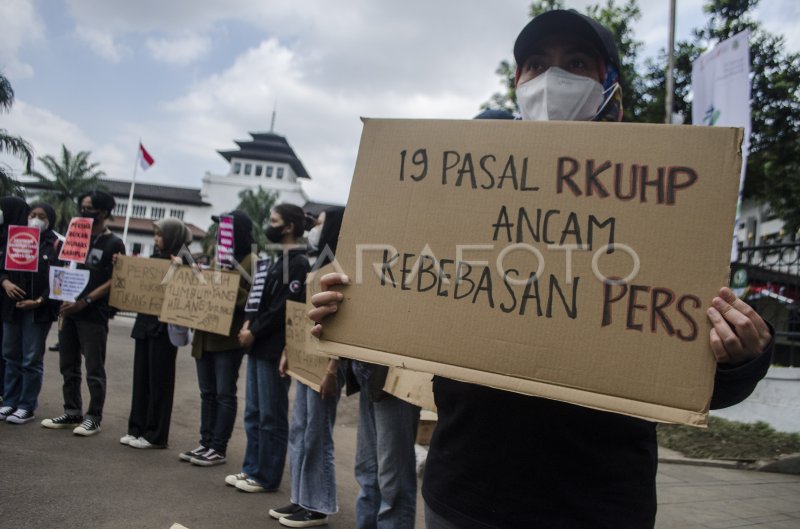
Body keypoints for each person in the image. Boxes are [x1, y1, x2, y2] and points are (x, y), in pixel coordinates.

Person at [308, 10, 774, 529]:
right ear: (518, 83)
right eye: (537, 64)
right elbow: (412, 292)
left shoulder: (667, 205)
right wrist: (350, 309)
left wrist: (741, 355)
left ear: (608, 88)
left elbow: (692, 369)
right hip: (463, 493)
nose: (554, 79)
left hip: (595, 505)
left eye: (576, 64)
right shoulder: (459, 200)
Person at [225, 204, 309, 495]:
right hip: (258, 346)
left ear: (288, 227)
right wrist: (248, 327)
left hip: (274, 349)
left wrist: (254, 331)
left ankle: (266, 475)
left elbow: (283, 308)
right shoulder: (277, 260)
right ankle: (251, 468)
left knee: (271, 415)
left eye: (274, 221)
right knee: (254, 412)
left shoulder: (298, 263)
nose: (269, 225)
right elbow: (259, 300)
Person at [269, 206, 344, 528]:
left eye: (320, 223)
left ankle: (318, 505)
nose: (314, 227)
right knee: (300, 429)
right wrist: (290, 349)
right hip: (305, 359)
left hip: (324, 364)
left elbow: (345, 327)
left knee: (317, 435)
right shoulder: (318, 265)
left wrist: (331, 369)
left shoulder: (340, 270)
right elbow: (302, 317)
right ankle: (301, 498)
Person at [42, 190, 125, 436]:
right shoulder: (75, 236)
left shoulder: (114, 243)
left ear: (104, 212)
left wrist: (86, 300)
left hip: (93, 313)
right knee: (68, 364)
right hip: (68, 309)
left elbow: (114, 279)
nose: (84, 211)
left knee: (94, 367)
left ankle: (93, 417)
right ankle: (72, 411)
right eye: (83, 206)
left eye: (90, 207)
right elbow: (64, 268)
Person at [180, 210, 254, 466]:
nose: (220, 235)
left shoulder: (251, 261)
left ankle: (218, 447)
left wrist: (226, 281)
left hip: (227, 340)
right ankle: (205, 441)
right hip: (205, 336)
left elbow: (250, 301)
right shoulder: (216, 258)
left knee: (224, 393)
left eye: (225, 229)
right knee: (207, 393)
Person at [119, 218, 192, 449]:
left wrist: (181, 270)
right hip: (144, 326)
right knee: (141, 379)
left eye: (160, 235)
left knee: (160, 382)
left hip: (164, 330)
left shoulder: (186, 261)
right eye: (156, 234)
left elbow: (196, 288)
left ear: (172, 236)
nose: (156, 239)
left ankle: (156, 435)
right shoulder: (152, 261)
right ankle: (136, 428)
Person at [0, 201, 62, 424]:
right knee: (10, 355)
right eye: (32, 214)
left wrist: (38, 301)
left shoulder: (55, 244)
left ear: (50, 220)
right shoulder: (14, 237)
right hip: (12, 307)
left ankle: (27, 405)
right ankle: (9, 401)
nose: (35, 219)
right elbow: (2, 267)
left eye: (41, 216)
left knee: (31, 358)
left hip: (37, 311)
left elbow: (59, 279)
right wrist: (5, 282)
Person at [0, 197, 30, 408]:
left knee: (11, 351)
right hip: (3, 297)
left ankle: (11, 395)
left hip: (15, 304)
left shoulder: (27, 240)